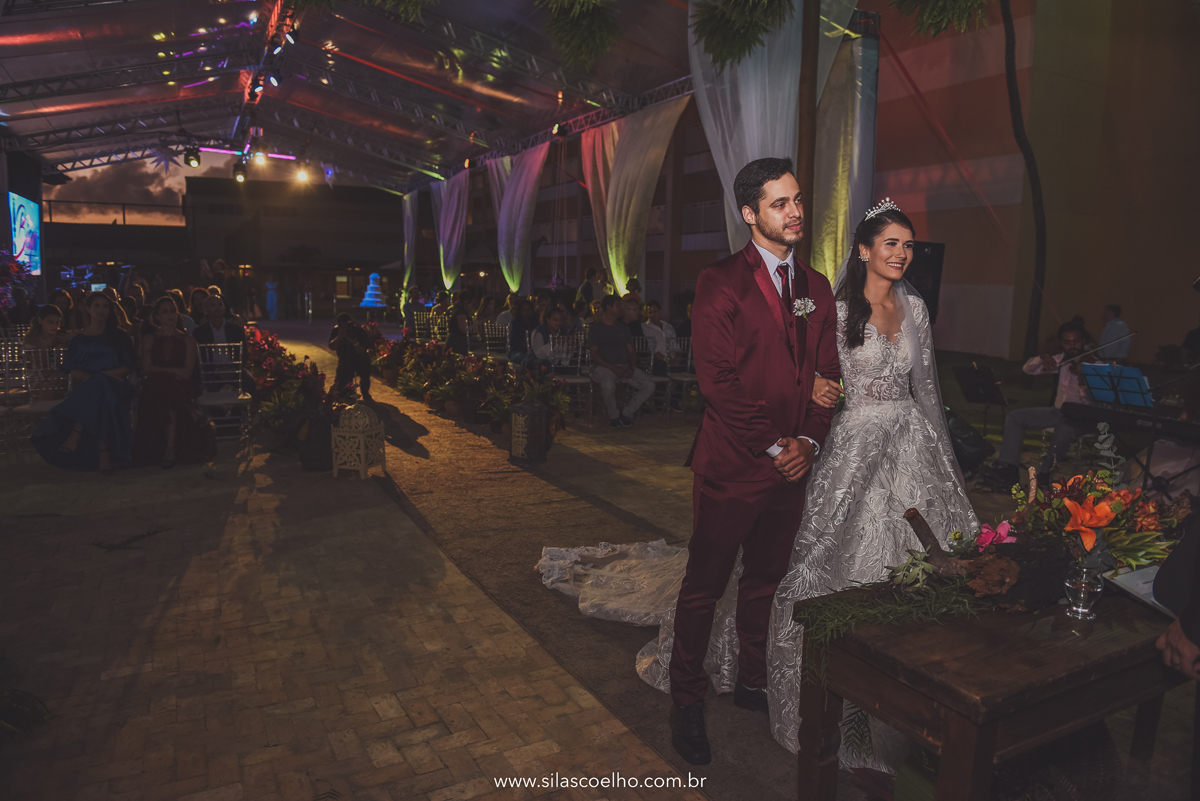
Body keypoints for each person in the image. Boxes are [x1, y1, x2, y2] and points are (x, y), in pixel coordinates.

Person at [539, 196, 978, 763]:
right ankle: (698, 694)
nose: (902, 253)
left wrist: (928, 451)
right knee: (736, 574)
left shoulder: (901, 305)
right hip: (812, 447)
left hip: (889, 444)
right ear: (863, 250)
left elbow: (919, 387)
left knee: (815, 567)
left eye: (909, 245)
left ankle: (800, 677)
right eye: (890, 243)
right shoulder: (820, 301)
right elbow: (770, 369)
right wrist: (813, 397)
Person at [30, 292, 135, 474]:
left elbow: (126, 367)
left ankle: (76, 433)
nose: (101, 310)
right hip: (88, 386)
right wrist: (97, 380)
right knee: (100, 390)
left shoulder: (119, 336)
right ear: (88, 308)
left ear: (110, 310)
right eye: (97, 306)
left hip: (116, 386)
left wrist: (100, 379)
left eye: (105, 306)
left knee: (101, 386)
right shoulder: (78, 339)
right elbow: (72, 369)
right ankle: (103, 454)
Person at [982, 320, 1092, 490]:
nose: (1072, 346)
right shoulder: (1061, 360)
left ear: (1083, 340)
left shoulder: (1093, 364)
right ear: (1061, 343)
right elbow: (1028, 369)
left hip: (1083, 416)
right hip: (1058, 412)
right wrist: (1043, 358)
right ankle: (1009, 470)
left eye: (1076, 341)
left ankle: (1044, 476)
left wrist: (1083, 378)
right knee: (1016, 417)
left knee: (1064, 430)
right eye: (1067, 342)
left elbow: (1093, 400)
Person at [132, 297, 215, 468]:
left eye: (172, 311)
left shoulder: (188, 340)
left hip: (180, 385)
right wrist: (172, 371)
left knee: (164, 386)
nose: (169, 315)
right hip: (158, 386)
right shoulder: (149, 339)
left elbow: (186, 373)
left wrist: (162, 370)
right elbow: (147, 369)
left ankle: (169, 448)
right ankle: (190, 413)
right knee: (164, 389)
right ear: (157, 316)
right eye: (164, 311)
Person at [587, 294, 655, 428]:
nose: (621, 308)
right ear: (609, 307)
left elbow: (632, 352)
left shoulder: (623, 328)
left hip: (623, 366)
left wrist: (630, 367)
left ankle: (627, 412)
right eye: (618, 305)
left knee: (649, 385)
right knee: (608, 384)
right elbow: (594, 355)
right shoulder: (596, 328)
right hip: (604, 367)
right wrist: (613, 367)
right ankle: (614, 415)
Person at [328, 313, 373, 400]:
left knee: (365, 372)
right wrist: (339, 337)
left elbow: (362, 351)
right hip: (344, 360)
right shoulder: (337, 331)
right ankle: (346, 392)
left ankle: (365, 393)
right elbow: (332, 347)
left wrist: (353, 342)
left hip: (360, 360)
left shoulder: (359, 331)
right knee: (342, 386)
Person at [530, 307, 572, 372]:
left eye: (560, 320)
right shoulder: (539, 332)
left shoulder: (563, 331)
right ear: (548, 320)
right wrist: (553, 343)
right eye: (555, 320)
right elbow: (539, 355)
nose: (558, 322)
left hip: (558, 363)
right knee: (545, 365)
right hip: (539, 363)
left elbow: (566, 353)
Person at [507, 300, 537, 365]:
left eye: (528, 309)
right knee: (528, 357)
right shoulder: (515, 324)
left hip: (534, 351)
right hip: (516, 352)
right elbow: (515, 343)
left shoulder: (536, 324)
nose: (526, 312)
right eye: (523, 309)